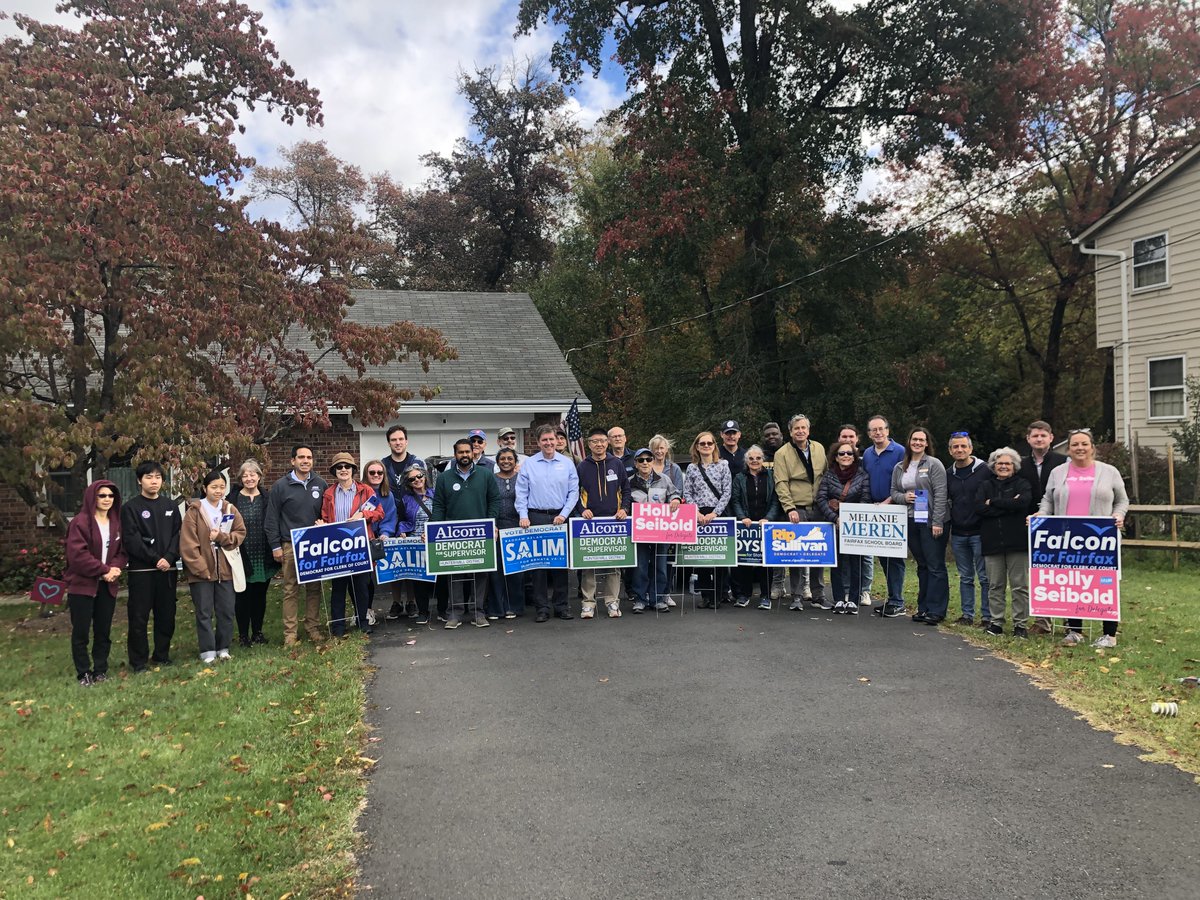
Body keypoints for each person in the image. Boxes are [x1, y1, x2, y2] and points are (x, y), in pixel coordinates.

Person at [1037, 428, 1129, 648]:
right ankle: (1074, 631)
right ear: (1068, 449)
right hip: (1067, 538)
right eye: (1075, 444)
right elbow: (1048, 500)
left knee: (1104, 584)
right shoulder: (1058, 472)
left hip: (1100, 538)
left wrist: (1118, 515)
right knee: (1073, 582)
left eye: (1084, 444)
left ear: (1092, 447)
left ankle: (1109, 634)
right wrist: (1040, 515)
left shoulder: (1109, 471)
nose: (1080, 448)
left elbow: (1122, 500)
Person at [432, 438, 500, 629]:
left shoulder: (486, 475)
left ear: (473, 453)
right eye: (460, 452)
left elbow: (494, 500)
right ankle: (455, 613)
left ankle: (478, 612)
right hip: (452, 534)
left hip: (481, 532)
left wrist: (491, 523)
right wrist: (433, 529)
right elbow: (439, 505)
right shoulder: (444, 478)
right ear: (455, 455)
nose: (464, 455)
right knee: (455, 573)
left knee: (481, 573)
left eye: (467, 452)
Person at [264, 444, 328, 647]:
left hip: (314, 545)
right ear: (293, 461)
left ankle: (312, 627)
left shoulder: (320, 483)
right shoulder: (280, 486)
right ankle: (290, 634)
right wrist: (275, 546)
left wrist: (324, 524)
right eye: (301, 457)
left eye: (309, 457)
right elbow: (271, 518)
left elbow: (326, 512)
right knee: (290, 589)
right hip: (290, 545)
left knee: (314, 588)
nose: (305, 461)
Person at [180, 471, 247, 663]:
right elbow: (188, 544)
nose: (218, 491)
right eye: (214, 487)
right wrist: (201, 568)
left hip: (226, 569)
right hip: (202, 571)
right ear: (204, 488)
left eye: (222, 487)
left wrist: (222, 537)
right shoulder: (194, 511)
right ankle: (207, 651)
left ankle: (223, 648)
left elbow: (240, 532)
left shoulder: (230, 509)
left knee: (226, 610)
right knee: (204, 612)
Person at [121, 460, 182, 672]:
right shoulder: (130, 508)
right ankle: (138, 661)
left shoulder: (171, 506)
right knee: (139, 617)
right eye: (149, 477)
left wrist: (170, 557)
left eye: (157, 477)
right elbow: (132, 540)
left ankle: (161, 655)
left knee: (166, 615)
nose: (154, 481)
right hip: (143, 572)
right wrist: (155, 559)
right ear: (140, 480)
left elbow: (178, 535)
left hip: (167, 571)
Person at [64, 480, 126, 686]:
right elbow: (77, 556)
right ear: (92, 497)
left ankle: (100, 670)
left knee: (103, 631)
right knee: (81, 632)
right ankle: (83, 672)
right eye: (102, 495)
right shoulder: (80, 523)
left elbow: (122, 552)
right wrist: (104, 570)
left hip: (107, 586)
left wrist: (114, 569)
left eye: (111, 496)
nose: (107, 499)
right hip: (82, 586)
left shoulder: (116, 523)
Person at [516, 424, 579, 622]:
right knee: (538, 568)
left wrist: (564, 514)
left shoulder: (567, 463)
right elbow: (521, 492)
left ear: (557, 440)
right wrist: (523, 515)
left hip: (560, 517)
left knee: (560, 565)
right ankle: (542, 608)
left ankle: (562, 606)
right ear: (538, 442)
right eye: (544, 440)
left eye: (552, 439)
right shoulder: (529, 464)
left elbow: (574, 492)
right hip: (535, 518)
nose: (549, 443)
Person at [890, 426, 950, 625]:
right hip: (910, 519)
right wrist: (904, 497)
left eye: (921, 440)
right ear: (909, 442)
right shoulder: (900, 467)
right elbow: (894, 492)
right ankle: (923, 608)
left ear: (926, 443)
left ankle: (937, 610)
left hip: (931, 521)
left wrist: (937, 521)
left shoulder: (934, 464)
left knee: (935, 565)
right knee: (922, 565)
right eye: (914, 439)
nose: (917, 442)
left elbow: (941, 494)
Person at [321, 452, 384, 637]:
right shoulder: (328, 493)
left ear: (353, 470)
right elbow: (325, 516)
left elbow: (379, 513)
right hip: (337, 546)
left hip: (360, 545)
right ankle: (338, 626)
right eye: (339, 467)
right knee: (339, 587)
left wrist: (363, 515)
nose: (343, 470)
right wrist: (321, 524)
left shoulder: (366, 490)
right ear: (334, 471)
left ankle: (362, 622)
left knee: (361, 586)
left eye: (347, 466)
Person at [773, 414, 828, 610]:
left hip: (819, 506)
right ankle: (796, 595)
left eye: (803, 427)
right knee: (797, 554)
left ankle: (818, 595)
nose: (800, 431)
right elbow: (781, 483)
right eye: (796, 428)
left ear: (809, 430)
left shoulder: (819, 448)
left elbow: (826, 475)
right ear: (790, 432)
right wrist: (789, 508)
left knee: (819, 553)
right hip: (798, 508)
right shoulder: (782, 453)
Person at [976, 448, 1032, 637]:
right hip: (992, 542)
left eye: (1008, 463)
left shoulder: (1022, 484)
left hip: (1018, 542)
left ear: (1014, 466)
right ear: (993, 466)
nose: (1003, 466)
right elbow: (979, 508)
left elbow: (1023, 503)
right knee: (995, 585)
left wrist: (993, 502)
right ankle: (996, 623)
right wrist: (1009, 505)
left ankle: (1020, 625)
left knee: (1020, 586)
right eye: (1000, 463)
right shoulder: (985, 485)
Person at [575, 427, 631, 619]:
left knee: (614, 564)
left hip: (614, 521)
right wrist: (582, 510)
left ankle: (612, 601)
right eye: (594, 441)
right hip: (590, 522)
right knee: (588, 564)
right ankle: (588, 603)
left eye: (602, 441)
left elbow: (626, 489)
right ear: (589, 444)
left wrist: (624, 509)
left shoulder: (616, 463)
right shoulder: (582, 466)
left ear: (607, 443)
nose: (599, 444)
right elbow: (574, 492)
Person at [1019, 420, 1067, 635]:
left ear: (1051, 438)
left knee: (1063, 572)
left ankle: (1070, 620)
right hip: (1031, 523)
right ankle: (1042, 621)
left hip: (1060, 522)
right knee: (1039, 573)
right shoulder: (1021, 464)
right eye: (1035, 436)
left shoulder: (1063, 462)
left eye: (1043, 435)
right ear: (1028, 439)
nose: (1039, 439)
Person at [816, 441, 872, 614]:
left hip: (855, 526)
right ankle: (839, 598)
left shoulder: (862, 475)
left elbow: (865, 499)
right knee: (837, 563)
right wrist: (835, 518)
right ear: (836, 457)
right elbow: (821, 499)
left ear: (854, 457)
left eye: (849, 453)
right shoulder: (829, 476)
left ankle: (854, 600)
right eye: (842, 453)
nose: (845, 456)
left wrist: (850, 518)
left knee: (856, 563)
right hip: (835, 524)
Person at [946, 432, 992, 627]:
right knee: (965, 577)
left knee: (984, 577)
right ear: (950, 451)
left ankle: (987, 617)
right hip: (958, 533)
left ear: (971, 448)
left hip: (980, 532)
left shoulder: (985, 470)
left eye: (963, 446)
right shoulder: (949, 474)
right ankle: (967, 615)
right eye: (955, 447)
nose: (960, 450)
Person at [682, 431, 732, 609]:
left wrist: (715, 513)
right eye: (702, 443)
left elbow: (727, 491)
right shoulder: (691, 468)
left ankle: (718, 595)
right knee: (701, 558)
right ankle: (705, 596)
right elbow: (687, 492)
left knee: (719, 558)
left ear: (714, 446)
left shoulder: (723, 465)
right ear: (697, 446)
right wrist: (695, 512)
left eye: (709, 443)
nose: (706, 446)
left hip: (718, 514)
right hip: (698, 515)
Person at [864, 416, 907, 618]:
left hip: (895, 509)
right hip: (874, 511)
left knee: (895, 558)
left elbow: (905, 481)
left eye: (881, 429)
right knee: (883, 558)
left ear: (888, 431)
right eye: (874, 430)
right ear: (869, 434)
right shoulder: (867, 454)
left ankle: (897, 601)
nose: (878, 433)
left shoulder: (900, 451)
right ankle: (892, 599)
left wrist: (888, 501)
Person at [628, 447, 681, 612]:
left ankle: (658, 599)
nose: (645, 462)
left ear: (653, 462)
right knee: (640, 566)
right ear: (636, 463)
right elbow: (624, 502)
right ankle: (640, 599)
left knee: (660, 566)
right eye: (641, 460)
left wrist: (676, 499)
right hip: (640, 531)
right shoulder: (629, 482)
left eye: (648, 459)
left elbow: (674, 493)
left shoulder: (664, 479)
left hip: (661, 530)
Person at [231, 459, 277, 648]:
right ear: (240, 478)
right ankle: (243, 635)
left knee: (260, 596)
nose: (249, 478)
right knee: (242, 596)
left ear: (259, 476)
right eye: (245, 475)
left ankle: (257, 632)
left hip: (262, 553)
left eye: (252, 474)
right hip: (241, 554)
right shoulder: (232, 499)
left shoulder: (267, 497)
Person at [730, 444, 781, 609]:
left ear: (763, 460)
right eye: (751, 458)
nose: (754, 461)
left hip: (765, 524)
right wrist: (742, 517)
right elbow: (735, 500)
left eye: (758, 458)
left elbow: (775, 500)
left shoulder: (771, 476)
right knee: (745, 561)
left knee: (766, 562)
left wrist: (769, 518)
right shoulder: (739, 478)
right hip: (747, 525)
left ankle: (765, 596)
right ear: (746, 461)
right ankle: (744, 595)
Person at [396, 467, 441, 625]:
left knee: (441, 578)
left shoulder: (437, 494)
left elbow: (444, 514)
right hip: (416, 543)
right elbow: (401, 520)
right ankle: (423, 612)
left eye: (419, 476)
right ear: (408, 483)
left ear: (425, 476)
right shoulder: (406, 499)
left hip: (436, 539)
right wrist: (402, 531)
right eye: (412, 479)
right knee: (419, 579)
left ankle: (442, 610)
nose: (417, 480)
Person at [835, 423, 872, 606]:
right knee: (843, 557)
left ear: (857, 439)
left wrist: (856, 514)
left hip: (860, 515)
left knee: (865, 557)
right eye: (844, 436)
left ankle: (864, 591)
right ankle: (846, 592)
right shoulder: (833, 464)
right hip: (839, 517)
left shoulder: (865, 459)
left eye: (851, 436)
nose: (848, 440)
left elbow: (866, 489)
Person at [648, 433, 685, 605]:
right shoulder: (646, 465)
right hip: (648, 519)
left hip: (668, 519)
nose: (659, 451)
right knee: (648, 559)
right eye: (656, 448)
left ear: (666, 449)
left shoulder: (673, 468)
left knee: (667, 559)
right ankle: (649, 592)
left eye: (661, 448)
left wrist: (675, 500)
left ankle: (665, 592)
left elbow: (679, 490)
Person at [489, 447, 525, 619]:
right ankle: (496, 608)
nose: (506, 461)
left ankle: (514, 607)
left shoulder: (522, 478)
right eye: (502, 458)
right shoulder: (491, 479)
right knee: (496, 572)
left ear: (515, 461)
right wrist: (492, 524)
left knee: (516, 570)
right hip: (496, 528)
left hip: (517, 527)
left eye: (510, 458)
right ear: (497, 462)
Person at [363, 459, 399, 624]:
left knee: (384, 574)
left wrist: (385, 533)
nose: (376, 475)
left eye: (380, 472)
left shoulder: (388, 495)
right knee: (366, 578)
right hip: (364, 537)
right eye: (372, 472)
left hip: (380, 539)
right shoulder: (361, 492)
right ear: (366, 474)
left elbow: (390, 516)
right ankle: (366, 610)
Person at [381, 424, 426, 498]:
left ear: (406, 441)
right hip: (391, 505)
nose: (398, 443)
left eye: (401, 439)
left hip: (414, 504)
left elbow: (428, 489)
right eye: (393, 440)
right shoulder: (382, 465)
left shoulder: (419, 463)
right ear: (389, 443)